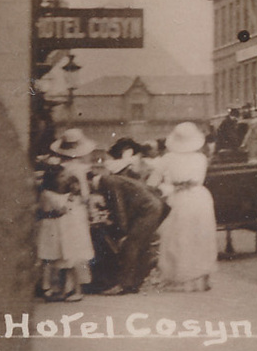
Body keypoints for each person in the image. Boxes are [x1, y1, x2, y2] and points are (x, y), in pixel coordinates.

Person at [91, 140, 167, 295]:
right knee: (139, 244)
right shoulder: (116, 180)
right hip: (153, 207)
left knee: (131, 244)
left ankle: (125, 284)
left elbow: (118, 207)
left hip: (149, 210)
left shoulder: (108, 182)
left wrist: (121, 228)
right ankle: (133, 282)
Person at [155, 121, 218, 291]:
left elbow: (153, 182)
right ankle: (201, 278)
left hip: (178, 198)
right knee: (200, 236)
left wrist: (168, 187)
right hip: (200, 197)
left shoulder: (167, 159)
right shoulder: (201, 158)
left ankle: (180, 278)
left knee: (179, 237)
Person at [44, 128, 98, 299]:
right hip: (76, 210)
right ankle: (76, 289)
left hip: (61, 211)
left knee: (65, 248)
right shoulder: (80, 170)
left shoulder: (56, 167)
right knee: (77, 248)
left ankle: (63, 288)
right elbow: (85, 195)